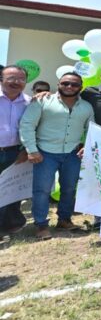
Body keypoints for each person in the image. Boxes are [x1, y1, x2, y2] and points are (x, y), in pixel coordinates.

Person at [19, 72, 93, 240]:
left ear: (80, 87)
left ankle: (64, 220)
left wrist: (86, 146)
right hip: (45, 153)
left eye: (74, 84)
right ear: (58, 84)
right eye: (65, 83)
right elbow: (27, 124)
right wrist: (31, 149)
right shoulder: (42, 101)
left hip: (72, 153)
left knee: (69, 188)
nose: (69, 87)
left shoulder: (87, 107)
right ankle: (41, 224)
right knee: (42, 190)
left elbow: (91, 129)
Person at [0, 65, 31, 232]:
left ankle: (11, 223)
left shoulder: (29, 102)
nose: (16, 82)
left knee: (11, 190)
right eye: (11, 78)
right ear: (1, 79)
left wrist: (26, 149)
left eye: (21, 79)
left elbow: (34, 127)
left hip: (15, 152)